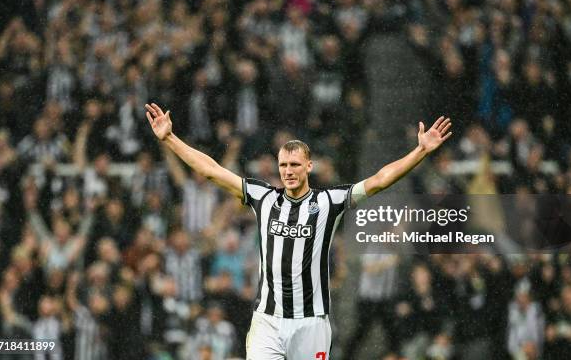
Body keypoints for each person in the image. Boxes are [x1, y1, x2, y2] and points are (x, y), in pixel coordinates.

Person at [144, 102, 452, 359]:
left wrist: (420, 152)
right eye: (283, 165)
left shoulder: (329, 201)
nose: (288, 171)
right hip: (267, 320)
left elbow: (380, 180)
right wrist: (170, 138)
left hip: (311, 324)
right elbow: (211, 170)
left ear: (309, 166)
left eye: (294, 164)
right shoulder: (262, 197)